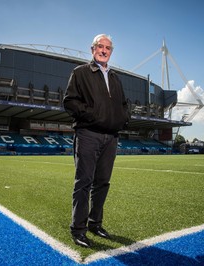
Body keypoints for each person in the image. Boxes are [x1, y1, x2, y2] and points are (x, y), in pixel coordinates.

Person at [63, 34, 130, 248]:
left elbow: (124, 105)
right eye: (100, 47)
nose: (104, 50)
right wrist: (94, 116)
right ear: (93, 49)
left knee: (102, 183)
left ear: (111, 52)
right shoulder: (80, 72)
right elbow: (70, 101)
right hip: (88, 134)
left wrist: (121, 120)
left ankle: (95, 223)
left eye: (108, 48)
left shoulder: (116, 78)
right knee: (84, 182)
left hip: (110, 137)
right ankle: (78, 229)